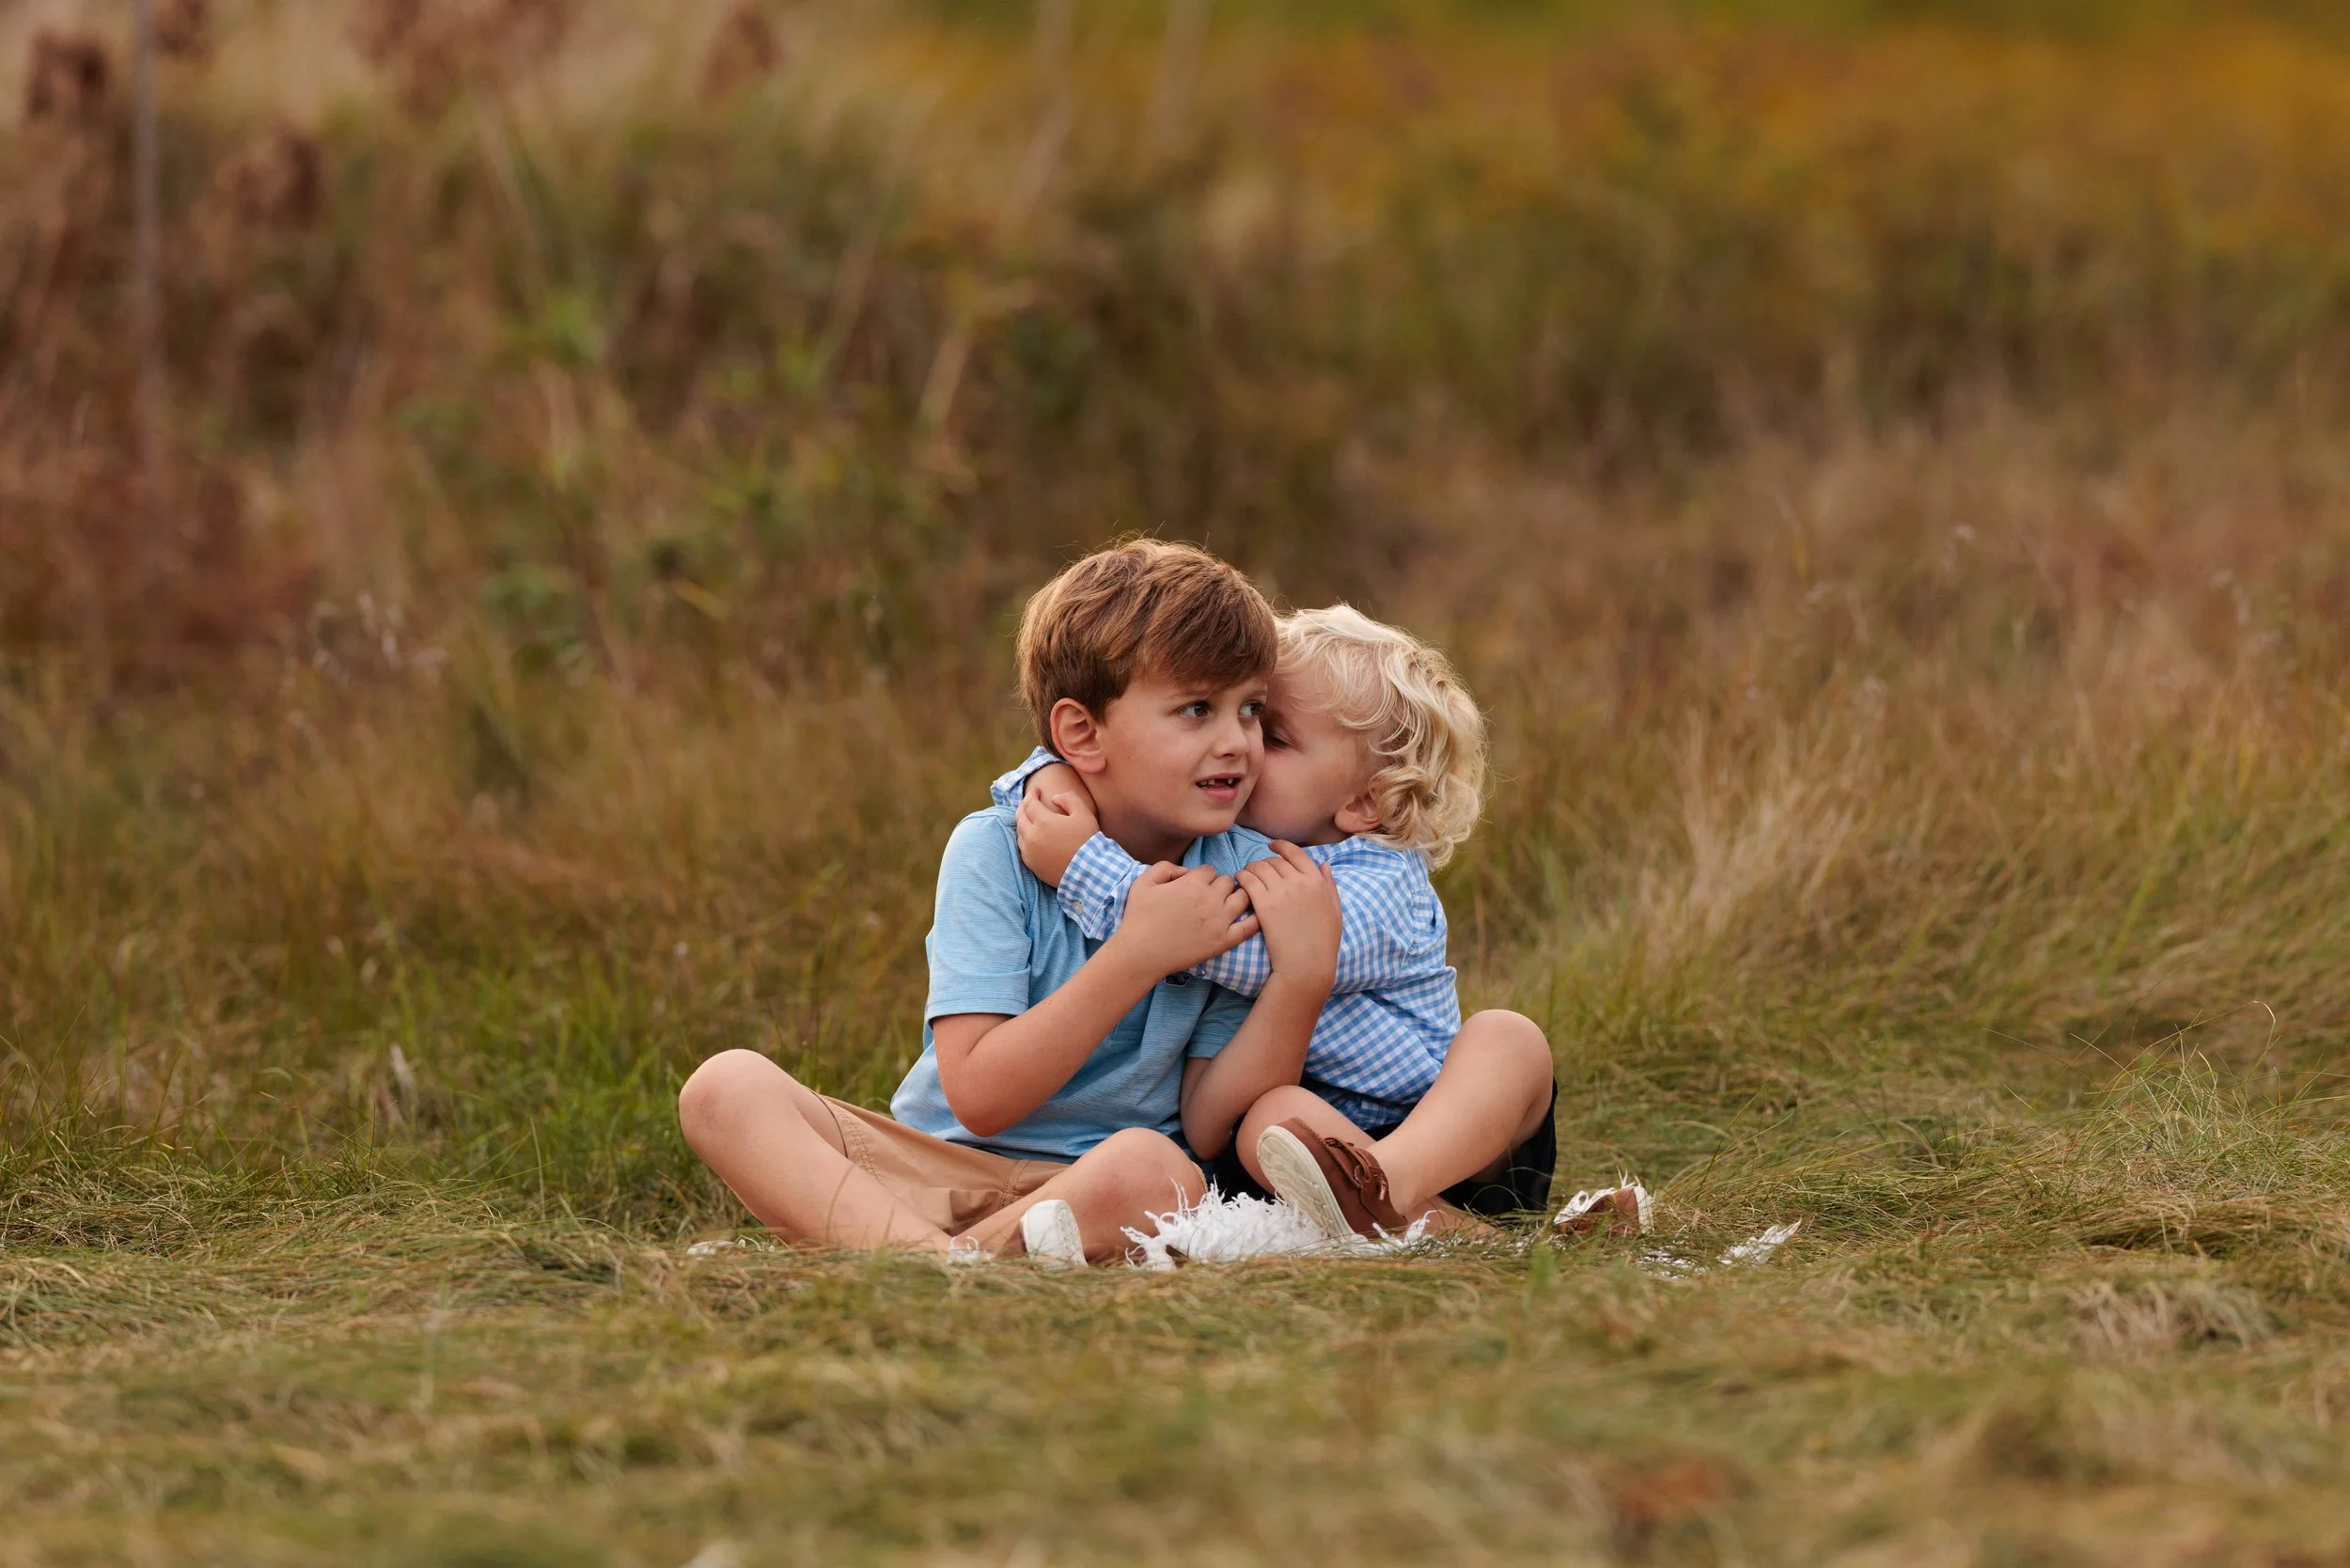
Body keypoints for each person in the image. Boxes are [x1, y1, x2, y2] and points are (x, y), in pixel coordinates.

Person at [676, 541, 1340, 1265]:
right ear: (1081, 735)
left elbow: (1210, 1128)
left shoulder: (1246, 879)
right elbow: (981, 1097)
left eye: (1250, 710)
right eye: (1195, 710)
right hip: (933, 1165)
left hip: (1094, 1185)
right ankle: (952, 1260)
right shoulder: (996, 849)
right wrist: (1137, 954)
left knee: (1160, 1168)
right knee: (724, 1087)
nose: (1237, 743)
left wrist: (1301, 982)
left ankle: (925, 1266)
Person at [998, 604, 1560, 1240]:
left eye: (1274, 733)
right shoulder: (1224, 841)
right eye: (1249, 715)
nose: (1240, 746)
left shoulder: (1384, 883)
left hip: (1443, 1134)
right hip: (1297, 1159)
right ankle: (1444, 1235)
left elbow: (1218, 938)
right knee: (1276, 1115)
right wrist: (1047, 773)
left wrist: (1082, 866)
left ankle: (1387, 1187)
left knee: (1508, 1039)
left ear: (1363, 801)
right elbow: (1122, 753)